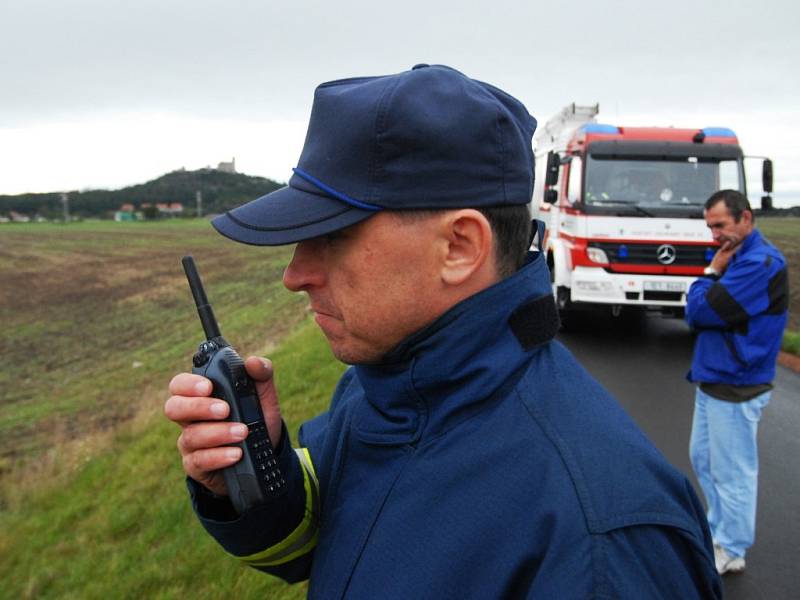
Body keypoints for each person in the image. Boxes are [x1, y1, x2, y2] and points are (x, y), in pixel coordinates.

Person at [165, 64, 721, 598]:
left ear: (459, 247)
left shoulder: (604, 543)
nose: (295, 276)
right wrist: (254, 481)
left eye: (330, 237)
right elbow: (337, 542)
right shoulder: (383, 387)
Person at [686, 189, 789, 575]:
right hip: (715, 378)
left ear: (745, 218)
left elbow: (700, 311)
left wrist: (710, 273)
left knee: (733, 471)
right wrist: (712, 277)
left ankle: (732, 546)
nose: (715, 235)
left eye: (721, 225)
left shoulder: (759, 263)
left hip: (737, 381)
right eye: (710, 227)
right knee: (705, 460)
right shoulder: (739, 257)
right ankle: (718, 530)